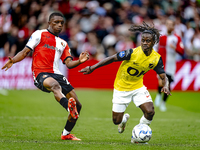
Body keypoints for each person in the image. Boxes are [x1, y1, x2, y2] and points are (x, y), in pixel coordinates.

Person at [2, 12, 89, 141]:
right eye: (56, 22)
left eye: (61, 23)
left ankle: (66, 134)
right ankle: (68, 107)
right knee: (55, 86)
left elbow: (69, 64)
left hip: (57, 74)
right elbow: (25, 51)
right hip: (40, 73)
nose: (59, 25)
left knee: (78, 105)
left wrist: (79, 62)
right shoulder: (39, 34)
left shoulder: (63, 43)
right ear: (49, 23)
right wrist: (13, 60)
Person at [79, 22, 171, 143]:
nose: (144, 43)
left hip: (138, 87)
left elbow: (164, 76)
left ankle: (138, 134)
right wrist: (92, 68)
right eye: (143, 40)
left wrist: (166, 85)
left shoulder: (156, 58)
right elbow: (111, 58)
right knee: (116, 120)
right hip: (121, 88)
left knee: (150, 112)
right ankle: (123, 121)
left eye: (148, 41)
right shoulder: (131, 53)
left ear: (154, 42)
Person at [154, 19, 184, 112]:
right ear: (166, 25)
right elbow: (155, 47)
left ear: (174, 26)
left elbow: (182, 51)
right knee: (160, 81)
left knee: (168, 84)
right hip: (161, 63)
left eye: (172, 25)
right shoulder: (161, 36)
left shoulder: (177, 38)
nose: (170, 26)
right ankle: (159, 95)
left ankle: (163, 103)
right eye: (168, 24)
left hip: (171, 64)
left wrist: (174, 48)